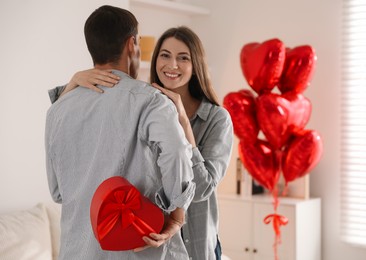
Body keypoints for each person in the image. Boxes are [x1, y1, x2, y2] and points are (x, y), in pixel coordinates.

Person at [51, 26, 234, 260]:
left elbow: (204, 188)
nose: (172, 65)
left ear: (195, 65)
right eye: (165, 55)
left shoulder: (217, 118)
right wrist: (73, 82)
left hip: (197, 245)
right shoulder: (146, 104)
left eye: (183, 58)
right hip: (153, 243)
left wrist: (184, 126)